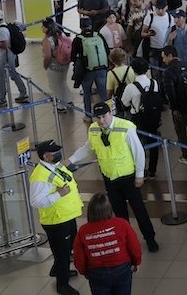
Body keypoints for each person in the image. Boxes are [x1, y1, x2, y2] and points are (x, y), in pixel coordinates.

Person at [67, 103, 159, 252]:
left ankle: (150, 238)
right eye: (98, 117)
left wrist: (140, 175)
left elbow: (138, 151)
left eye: (104, 116)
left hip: (128, 177)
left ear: (111, 114)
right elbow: (88, 148)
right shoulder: (94, 129)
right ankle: (126, 241)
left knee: (139, 210)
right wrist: (71, 160)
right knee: (120, 214)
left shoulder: (126, 127)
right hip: (109, 178)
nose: (102, 120)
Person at [74, 192, 141, 295]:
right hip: (122, 271)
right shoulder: (121, 224)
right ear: (109, 209)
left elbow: (79, 257)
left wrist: (85, 272)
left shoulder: (83, 231)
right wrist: (135, 263)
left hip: (97, 275)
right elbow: (134, 247)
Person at [29, 139, 83, 295]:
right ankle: (62, 284)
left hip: (67, 215)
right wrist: (58, 194)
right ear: (45, 156)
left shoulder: (54, 165)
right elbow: (35, 201)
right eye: (54, 153)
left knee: (69, 246)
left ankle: (58, 269)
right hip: (56, 220)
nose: (58, 154)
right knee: (63, 253)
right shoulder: (39, 177)